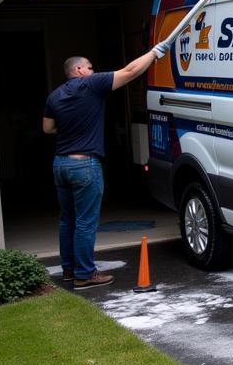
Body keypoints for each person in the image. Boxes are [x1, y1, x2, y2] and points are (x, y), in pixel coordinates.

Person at [43, 43, 166, 288]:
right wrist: (154, 53)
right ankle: (85, 275)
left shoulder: (54, 95)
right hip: (84, 164)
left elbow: (47, 129)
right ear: (79, 69)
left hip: (61, 164)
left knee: (68, 220)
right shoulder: (91, 84)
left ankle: (69, 270)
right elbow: (130, 72)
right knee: (86, 222)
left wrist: (69, 128)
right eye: (89, 66)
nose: (93, 69)